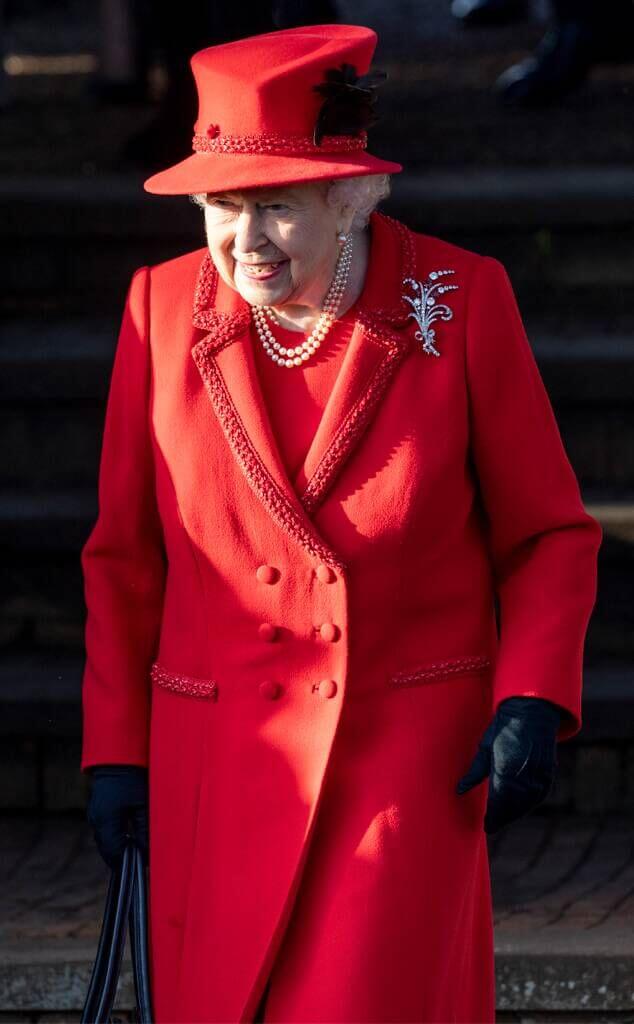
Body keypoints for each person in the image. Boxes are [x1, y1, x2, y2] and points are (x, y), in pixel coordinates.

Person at [80, 23, 602, 1023]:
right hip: (217, 770)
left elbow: (549, 534)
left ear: (351, 196)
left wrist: (531, 697)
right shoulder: (157, 308)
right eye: (222, 209)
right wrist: (116, 749)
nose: (246, 240)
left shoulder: (459, 301)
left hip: (396, 771)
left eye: (275, 207)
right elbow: (123, 557)